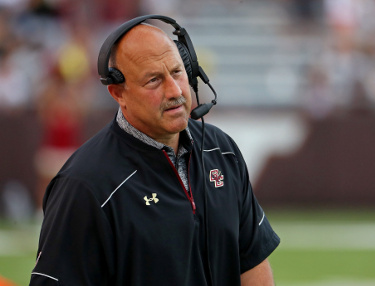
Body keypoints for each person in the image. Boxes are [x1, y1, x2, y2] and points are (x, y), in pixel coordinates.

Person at [29, 16, 280, 286]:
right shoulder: (84, 185)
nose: (174, 91)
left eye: (177, 72)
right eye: (154, 80)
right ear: (118, 93)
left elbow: (252, 264)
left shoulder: (223, 151)